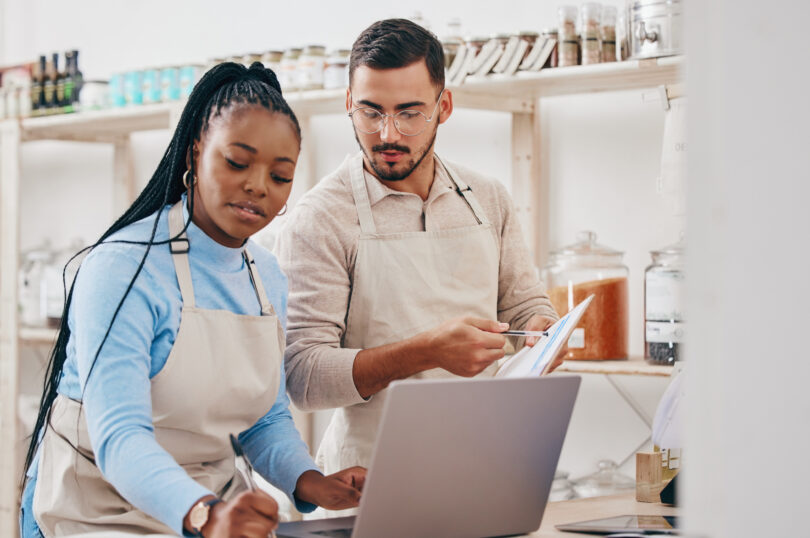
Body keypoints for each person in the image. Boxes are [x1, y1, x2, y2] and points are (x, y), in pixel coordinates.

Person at [19, 62, 365, 538]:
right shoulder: (124, 268)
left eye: (280, 176)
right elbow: (119, 439)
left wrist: (311, 483)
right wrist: (204, 515)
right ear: (196, 153)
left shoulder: (265, 277)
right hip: (94, 507)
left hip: (212, 505)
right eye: (237, 163)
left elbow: (263, 417)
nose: (258, 186)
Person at [275, 18, 562, 497]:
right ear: (348, 103)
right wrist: (426, 353)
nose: (388, 133)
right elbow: (303, 377)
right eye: (370, 112)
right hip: (370, 484)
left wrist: (542, 332)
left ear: (443, 106)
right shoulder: (319, 219)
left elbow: (525, 306)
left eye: (410, 113)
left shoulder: (488, 198)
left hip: (490, 466)